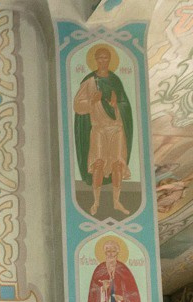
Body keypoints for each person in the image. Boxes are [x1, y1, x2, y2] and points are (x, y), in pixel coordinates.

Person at [73, 45, 133, 217]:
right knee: (98, 164)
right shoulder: (89, 81)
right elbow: (78, 106)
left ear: (110, 60)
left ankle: (116, 202)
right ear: (95, 60)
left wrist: (116, 105)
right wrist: (92, 101)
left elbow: (125, 105)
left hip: (116, 128)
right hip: (98, 128)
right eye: (99, 58)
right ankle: (96, 202)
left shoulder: (115, 80)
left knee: (117, 165)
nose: (102, 61)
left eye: (105, 58)